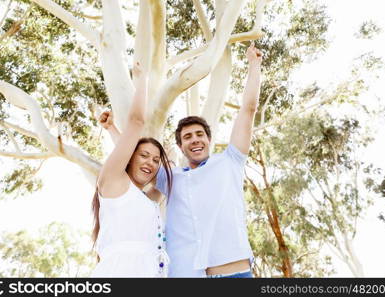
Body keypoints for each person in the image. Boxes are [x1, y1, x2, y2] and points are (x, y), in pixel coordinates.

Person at [102, 43, 262, 277]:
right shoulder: (171, 177)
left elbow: (248, 109)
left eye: (200, 135)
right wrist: (111, 128)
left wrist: (254, 65)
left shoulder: (230, 161)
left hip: (233, 273)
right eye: (187, 137)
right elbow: (135, 159)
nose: (195, 140)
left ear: (209, 139)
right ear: (180, 146)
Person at [91, 63, 172, 277]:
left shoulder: (147, 199)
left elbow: (166, 173)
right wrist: (142, 79)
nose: (151, 163)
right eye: (144, 156)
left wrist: (112, 129)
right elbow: (136, 121)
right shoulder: (113, 185)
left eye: (156, 160)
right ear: (128, 158)